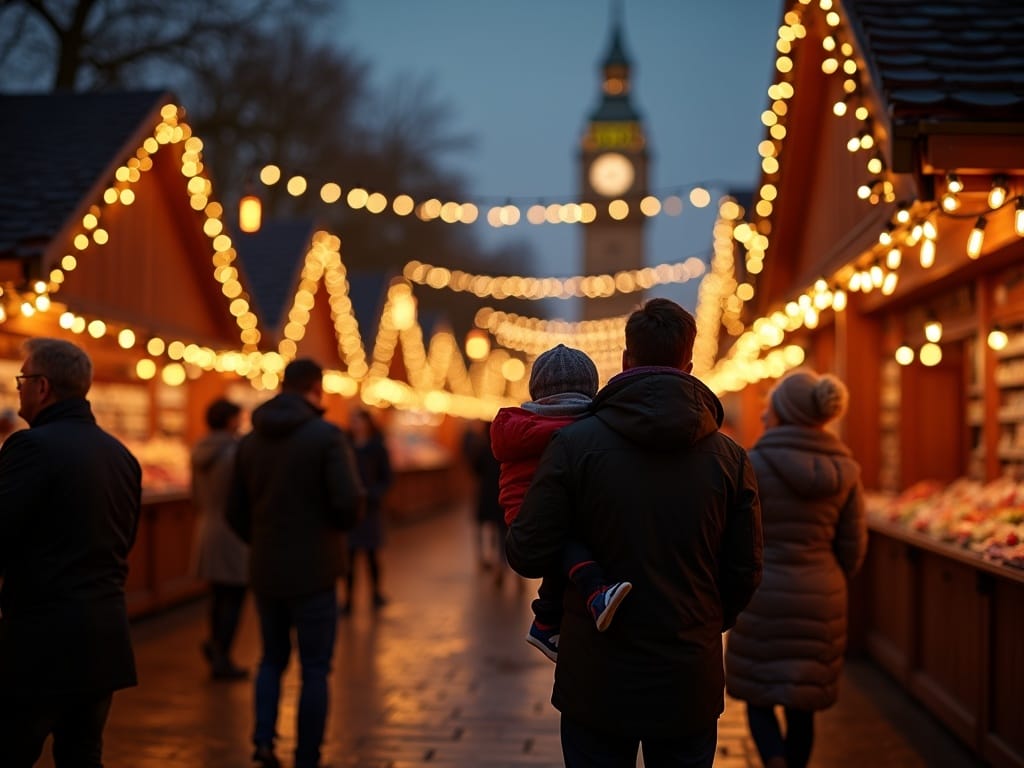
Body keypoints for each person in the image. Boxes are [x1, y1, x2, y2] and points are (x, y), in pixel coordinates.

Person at [506, 297, 763, 768]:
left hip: (595, 679)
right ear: (689, 364)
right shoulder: (730, 458)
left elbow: (526, 551)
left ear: (625, 360)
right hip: (688, 676)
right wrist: (701, 620)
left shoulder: (573, 445)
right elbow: (744, 570)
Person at [0, 338, 142, 767]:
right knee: (82, 756)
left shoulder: (31, 447)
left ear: (42, 387)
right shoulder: (121, 456)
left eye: (22, 379)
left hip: (42, 640)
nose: (18, 388)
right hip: (104, 636)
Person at [725, 369, 867, 768]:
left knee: (759, 693)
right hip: (823, 595)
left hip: (762, 592)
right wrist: (828, 577)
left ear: (784, 412)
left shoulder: (752, 464)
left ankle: (773, 759)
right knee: (803, 703)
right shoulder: (847, 471)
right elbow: (854, 548)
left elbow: (735, 537)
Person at [227, 358, 365, 768]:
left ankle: (264, 741)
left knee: (270, 659)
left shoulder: (250, 441)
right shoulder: (326, 437)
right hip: (317, 569)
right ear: (316, 388)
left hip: (266, 568)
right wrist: (331, 533)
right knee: (316, 668)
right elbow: (348, 502)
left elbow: (234, 511)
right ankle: (308, 755)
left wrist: (264, 540)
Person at [491, 344, 631, 663]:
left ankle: (545, 622)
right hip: (538, 511)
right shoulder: (576, 431)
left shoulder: (521, 426)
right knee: (570, 542)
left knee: (561, 550)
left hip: (519, 512)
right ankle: (594, 593)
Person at [191, 397, 249, 680]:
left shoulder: (199, 450)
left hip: (207, 527)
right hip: (232, 530)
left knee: (217, 595)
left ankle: (215, 645)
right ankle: (222, 654)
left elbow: (194, 495)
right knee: (235, 596)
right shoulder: (235, 453)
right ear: (230, 420)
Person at [340, 407, 393, 615]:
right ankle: (348, 599)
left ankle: (376, 593)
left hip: (370, 509)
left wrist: (373, 493)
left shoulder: (377, 447)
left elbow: (387, 478)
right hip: (351, 508)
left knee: (371, 554)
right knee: (349, 556)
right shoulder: (345, 445)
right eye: (352, 420)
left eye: (358, 420)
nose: (356, 425)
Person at [464, 419, 508, 583]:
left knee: (483, 528)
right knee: (501, 530)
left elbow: (475, 468)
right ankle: (502, 563)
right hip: (501, 493)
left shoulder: (482, 448)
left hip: (485, 494)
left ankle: (483, 558)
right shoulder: (504, 449)